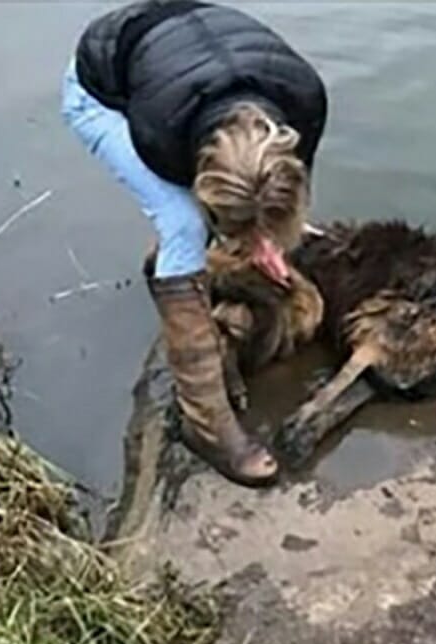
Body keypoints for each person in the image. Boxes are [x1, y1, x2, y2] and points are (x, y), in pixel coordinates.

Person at [60, 0, 328, 487]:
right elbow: (197, 200)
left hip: (186, 60)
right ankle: (203, 426)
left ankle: (169, 266)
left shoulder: (305, 100)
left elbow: (287, 183)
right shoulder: (161, 133)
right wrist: (225, 236)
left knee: (233, 223)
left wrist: (266, 238)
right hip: (99, 88)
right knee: (182, 223)